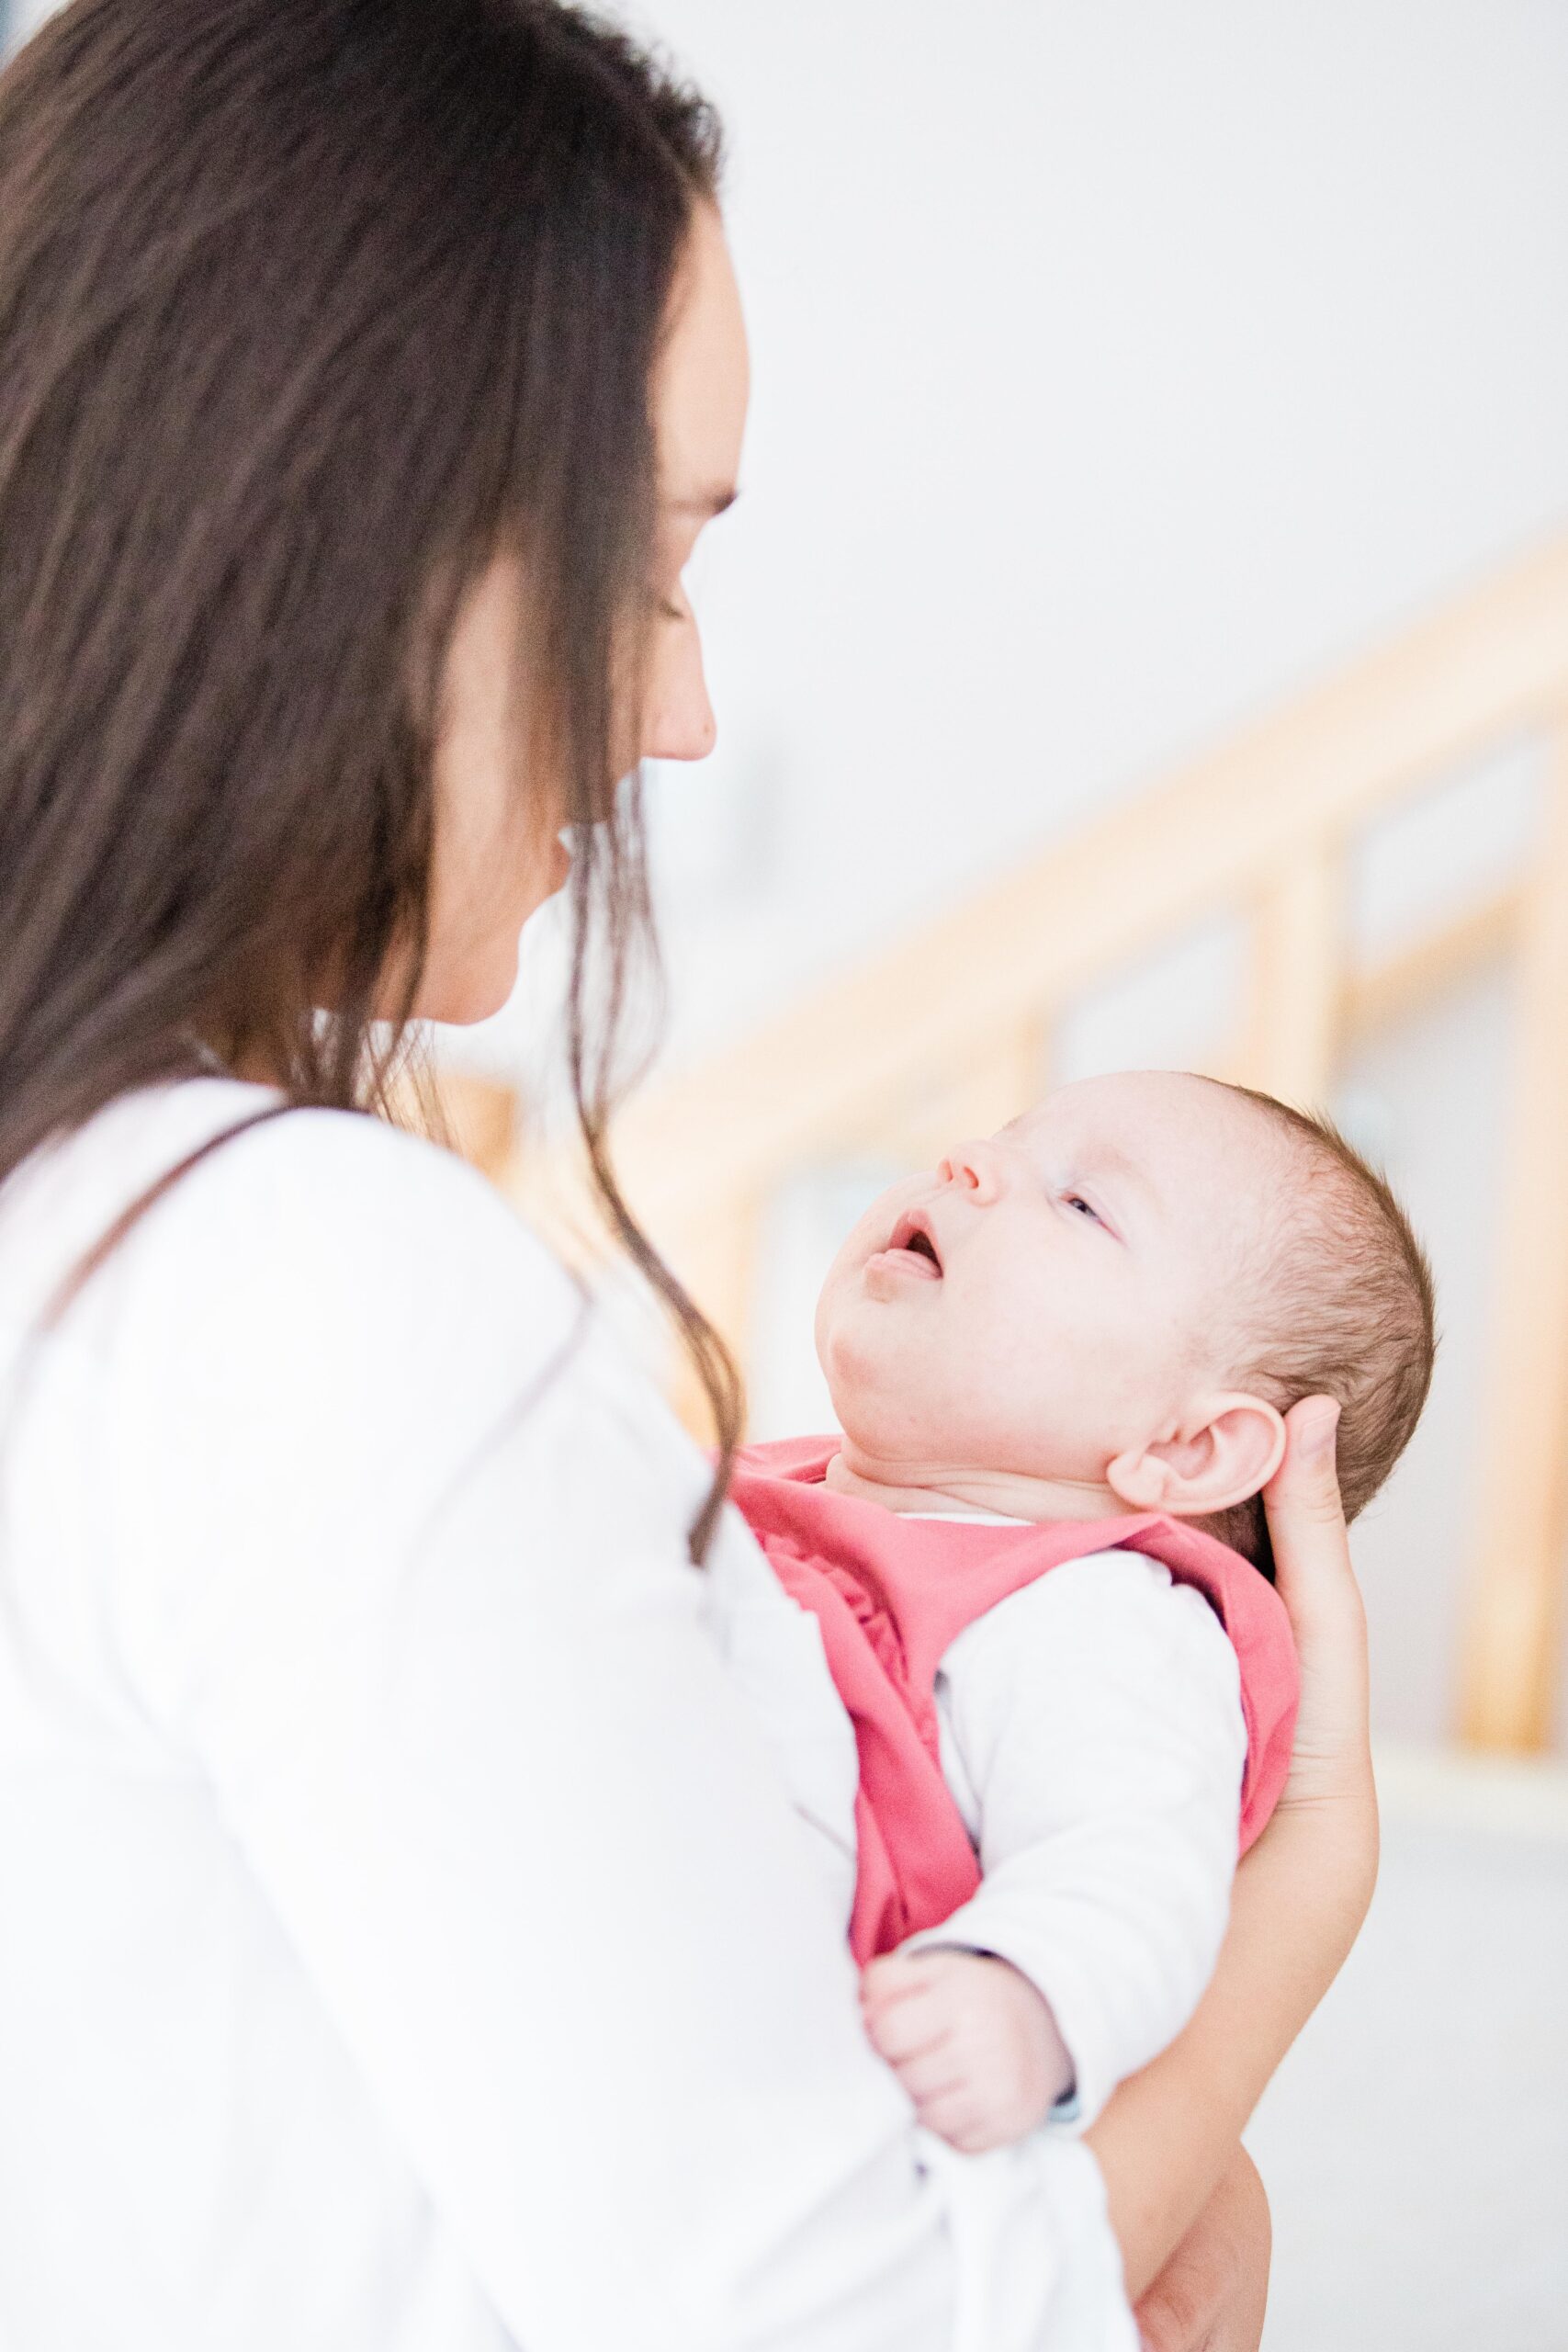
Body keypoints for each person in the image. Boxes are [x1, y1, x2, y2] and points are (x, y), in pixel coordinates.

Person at [0, 4, 1379, 2347]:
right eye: (643, 569)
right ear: (354, 536)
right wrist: (1289, 1931)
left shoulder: (114, 1228)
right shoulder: (302, 1271)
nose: (686, 710)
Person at [710, 1071, 1432, 2195]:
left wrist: (1020, 1995)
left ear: (1187, 1448)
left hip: (764, 2063)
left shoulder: (1102, 1616)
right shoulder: (750, 1485)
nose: (968, 1162)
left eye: (1083, 1203)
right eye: (1001, 1137)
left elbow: (1133, 1868)